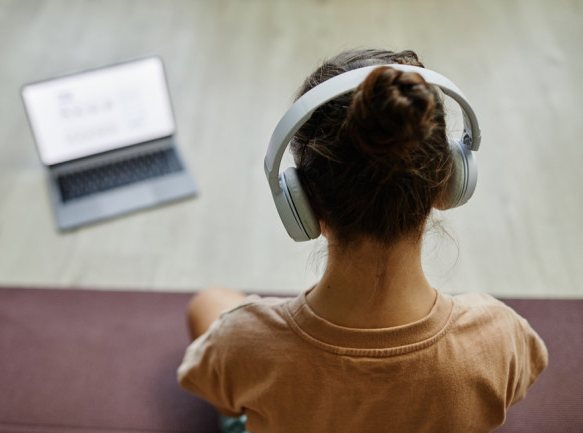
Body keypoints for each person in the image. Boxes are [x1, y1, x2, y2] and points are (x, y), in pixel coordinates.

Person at [177, 48, 548, 433]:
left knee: (209, 302)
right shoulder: (499, 334)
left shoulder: (242, 341)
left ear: (303, 203)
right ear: (448, 183)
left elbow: (216, 391)